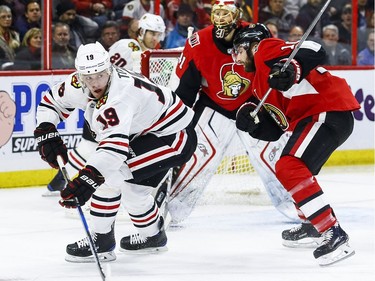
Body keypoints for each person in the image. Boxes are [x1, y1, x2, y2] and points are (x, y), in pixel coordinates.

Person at [34, 41, 197, 262]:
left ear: (109, 68)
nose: (95, 83)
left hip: (173, 137)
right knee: (134, 191)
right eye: (88, 77)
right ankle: (153, 236)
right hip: (145, 133)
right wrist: (46, 130)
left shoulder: (120, 97)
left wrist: (86, 181)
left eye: (100, 75)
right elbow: (51, 101)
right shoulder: (77, 82)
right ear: (80, 75)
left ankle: (101, 242)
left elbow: (113, 151)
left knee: (107, 178)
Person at [232, 23, 359, 265]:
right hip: (317, 116)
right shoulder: (259, 83)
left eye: (238, 50)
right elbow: (276, 129)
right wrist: (253, 124)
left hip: (325, 110)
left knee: (288, 166)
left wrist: (293, 68)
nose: (237, 58)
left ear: (251, 44)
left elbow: (314, 48)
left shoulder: (264, 49)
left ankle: (334, 234)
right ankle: (311, 222)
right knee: (296, 171)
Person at [164, 0, 296, 224]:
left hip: (254, 105)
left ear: (237, 17)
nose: (221, 20)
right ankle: (169, 213)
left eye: (227, 15)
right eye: (218, 14)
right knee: (198, 157)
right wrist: (177, 125)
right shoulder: (198, 42)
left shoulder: (256, 35)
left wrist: (287, 70)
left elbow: (279, 60)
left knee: (274, 158)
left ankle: (300, 207)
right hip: (213, 106)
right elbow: (186, 90)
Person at [45, 13, 166, 196]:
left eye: (158, 34)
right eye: (152, 33)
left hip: (121, 108)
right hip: (103, 104)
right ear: (141, 32)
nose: (155, 38)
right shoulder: (128, 46)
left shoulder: (150, 54)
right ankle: (62, 181)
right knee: (89, 147)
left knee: (93, 148)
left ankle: (62, 181)